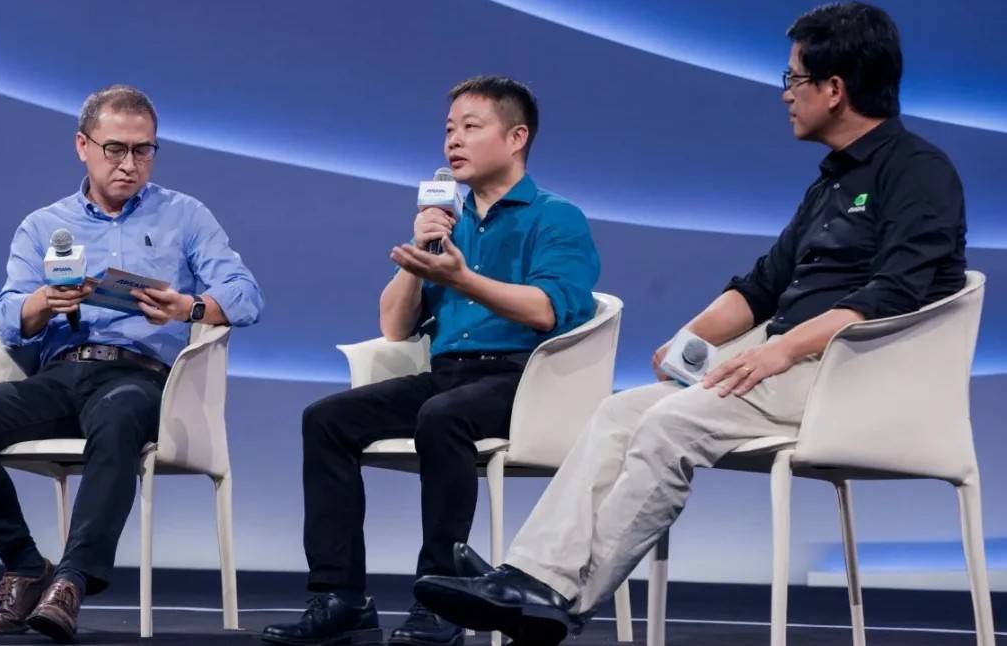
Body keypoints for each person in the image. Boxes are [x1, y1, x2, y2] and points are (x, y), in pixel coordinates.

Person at [413, 4, 968, 644]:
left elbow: (891, 294)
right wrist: (690, 338)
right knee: (619, 412)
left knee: (670, 424)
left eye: (793, 80)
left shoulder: (918, 171)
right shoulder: (831, 183)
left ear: (834, 89)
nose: (786, 94)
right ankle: (531, 576)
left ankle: (563, 597)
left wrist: (781, 350)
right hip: (794, 366)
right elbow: (762, 286)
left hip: (855, 374)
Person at [262, 76, 601, 646]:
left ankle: (439, 601)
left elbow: (546, 310)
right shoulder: (448, 224)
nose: (454, 141)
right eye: (449, 130)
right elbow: (394, 327)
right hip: (448, 375)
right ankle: (340, 599)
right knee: (326, 420)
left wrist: (463, 278)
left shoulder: (555, 217)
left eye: (471, 127)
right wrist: (418, 255)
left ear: (516, 137)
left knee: (442, 417)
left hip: (525, 379)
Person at [0, 84, 263, 643]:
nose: (129, 164)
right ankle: (24, 565)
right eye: (115, 149)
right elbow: (6, 316)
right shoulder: (44, 225)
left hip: (139, 377)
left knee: (119, 415)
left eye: (143, 150)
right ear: (82, 146)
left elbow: (246, 294)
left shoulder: (185, 216)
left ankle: (72, 580)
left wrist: (188, 306)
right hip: (60, 375)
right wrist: (43, 302)